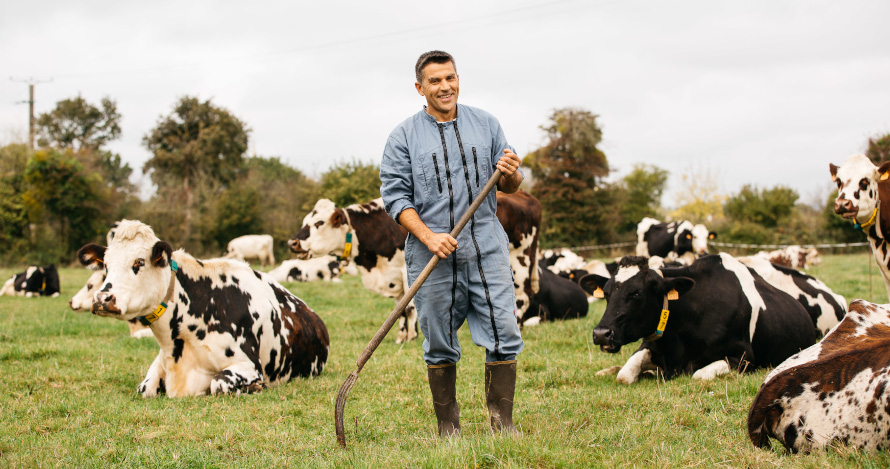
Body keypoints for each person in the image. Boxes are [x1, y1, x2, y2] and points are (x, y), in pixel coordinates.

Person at [379, 50, 524, 437]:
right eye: (435, 81)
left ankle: (501, 423)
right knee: (439, 340)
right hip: (431, 254)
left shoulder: (487, 124)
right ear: (419, 87)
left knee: (504, 331)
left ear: (458, 79)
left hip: (486, 248)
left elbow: (510, 183)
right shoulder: (403, 136)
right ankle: (448, 429)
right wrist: (428, 236)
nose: (445, 87)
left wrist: (512, 174)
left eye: (450, 78)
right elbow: (395, 198)